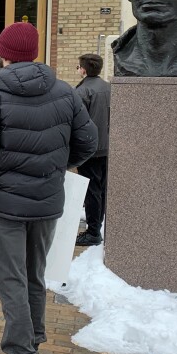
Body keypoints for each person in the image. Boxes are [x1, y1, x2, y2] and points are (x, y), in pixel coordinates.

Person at [0, 21, 97, 354]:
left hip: (6, 205)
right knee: (34, 275)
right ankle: (31, 340)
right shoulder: (64, 91)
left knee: (12, 280)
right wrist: (54, 166)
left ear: (4, 52)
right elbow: (89, 141)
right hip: (48, 202)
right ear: (35, 52)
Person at [75, 54, 111, 246]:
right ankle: (96, 227)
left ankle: (93, 231)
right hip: (106, 148)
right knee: (100, 189)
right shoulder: (109, 88)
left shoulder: (83, 92)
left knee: (92, 191)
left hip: (89, 149)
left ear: (84, 70)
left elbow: (77, 123)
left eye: (78, 66)